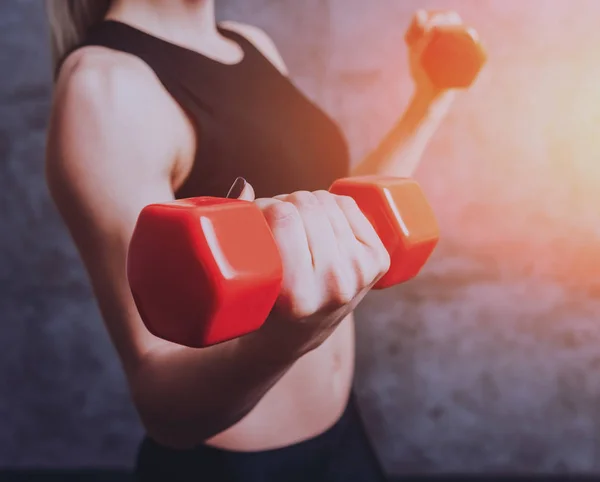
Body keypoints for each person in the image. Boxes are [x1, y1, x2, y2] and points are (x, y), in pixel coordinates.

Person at [44, 1, 462, 480]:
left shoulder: (249, 44)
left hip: (345, 437)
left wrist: (429, 101)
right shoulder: (105, 88)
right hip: (240, 469)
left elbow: (346, 215)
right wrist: (285, 339)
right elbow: (163, 410)